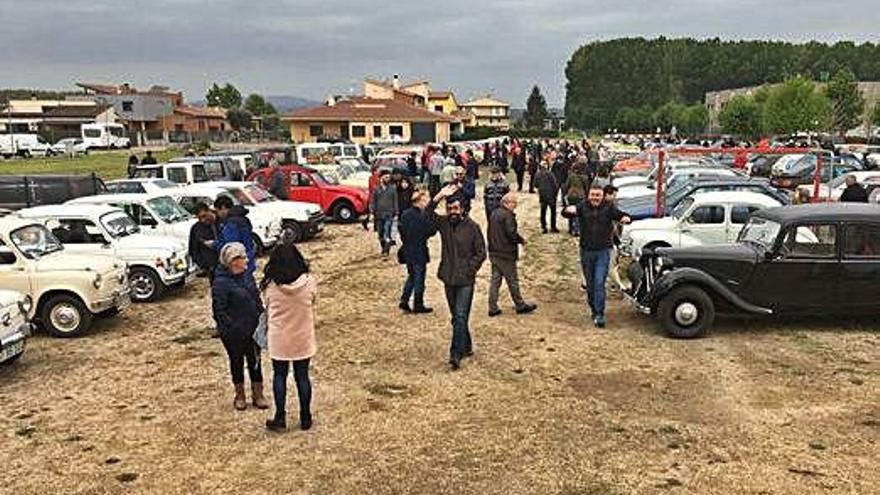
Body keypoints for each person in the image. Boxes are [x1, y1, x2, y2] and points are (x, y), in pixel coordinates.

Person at [428, 184, 486, 370]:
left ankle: (455, 353)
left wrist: (471, 269)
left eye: (455, 208)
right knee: (456, 317)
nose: (452, 211)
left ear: (462, 209)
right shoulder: (444, 224)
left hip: (465, 281)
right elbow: (426, 216)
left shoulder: (472, 227)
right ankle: (466, 345)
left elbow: (481, 252)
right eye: (449, 208)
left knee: (460, 316)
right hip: (448, 277)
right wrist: (438, 196)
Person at [261, 240, 317, 432]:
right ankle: (305, 416)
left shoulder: (270, 286)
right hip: (302, 335)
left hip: (279, 337)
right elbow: (313, 301)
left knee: (280, 375)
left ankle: (280, 416)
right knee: (302, 376)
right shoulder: (309, 282)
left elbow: (266, 307)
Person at [562, 184, 631, 328]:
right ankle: (593, 308)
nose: (595, 198)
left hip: (603, 251)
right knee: (590, 284)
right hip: (586, 251)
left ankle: (600, 314)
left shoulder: (608, 207)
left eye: (598, 195)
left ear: (602, 196)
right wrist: (567, 210)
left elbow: (621, 215)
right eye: (593, 195)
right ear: (589, 195)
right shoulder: (583, 206)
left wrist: (626, 218)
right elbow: (566, 213)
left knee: (599, 282)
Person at [212, 242, 268, 411]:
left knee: (255, 362)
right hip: (233, 333)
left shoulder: (247, 276)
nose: (246, 260)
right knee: (236, 362)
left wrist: (262, 317)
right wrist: (232, 328)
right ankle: (240, 394)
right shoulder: (221, 283)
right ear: (232, 261)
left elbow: (256, 299)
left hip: (252, 329)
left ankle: (258, 394)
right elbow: (219, 311)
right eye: (242, 258)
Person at [487, 192, 537, 317]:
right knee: (512, 280)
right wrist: (521, 240)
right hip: (506, 253)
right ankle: (520, 305)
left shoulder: (494, 213)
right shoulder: (508, 216)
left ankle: (492, 307)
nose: (515, 205)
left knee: (495, 280)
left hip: (494, 251)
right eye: (513, 203)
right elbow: (511, 233)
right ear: (506, 203)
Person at [398, 190, 437, 314]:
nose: (427, 202)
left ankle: (404, 300)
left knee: (412, 276)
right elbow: (430, 231)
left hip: (407, 249)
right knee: (419, 278)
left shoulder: (405, 214)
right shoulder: (421, 216)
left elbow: (401, 231)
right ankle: (418, 304)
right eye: (425, 200)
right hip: (419, 250)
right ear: (419, 201)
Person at [214, 196, 257, 276]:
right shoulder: (242, 219)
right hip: (248, 260)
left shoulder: (231, 223)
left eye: (217, 211)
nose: (218, 215)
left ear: (223, 208)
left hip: (238, 265)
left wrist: (215, 244)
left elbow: (231, 247)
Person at [370, 170, 398, 258]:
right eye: (386, 177)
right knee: (380, 234)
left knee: (387, 232)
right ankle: (383, 248)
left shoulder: (393, 189)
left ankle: (386, 250)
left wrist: (396, 212)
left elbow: (395, 201)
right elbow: (373, 202)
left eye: (389, 177)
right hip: (378, 214)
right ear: (381, 178)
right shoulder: (376, 189)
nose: (388, 179)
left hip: (389, 214)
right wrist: (372, 212)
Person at [563, 159, 590, 236]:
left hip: (571, 195)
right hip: (581, 196)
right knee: (579, 213)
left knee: (571, 211)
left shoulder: (571, 176)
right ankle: (577, 229)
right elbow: (586, 188)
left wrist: (565, 194)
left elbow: (566, 185)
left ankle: (570, 228)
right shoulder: (585, 177)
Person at [534, 161, 559, 233]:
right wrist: (555, 194)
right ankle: (553, 227)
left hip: (542, 195)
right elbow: (555, 185)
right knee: (553, 212)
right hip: (551, 195)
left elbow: (535, 184)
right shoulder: (550, 174)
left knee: (543, 212)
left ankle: (544, 227)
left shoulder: (537, 174)